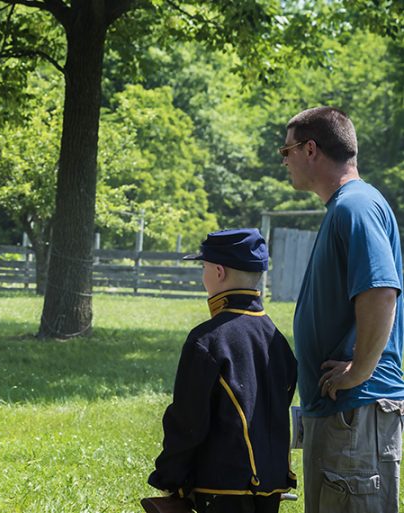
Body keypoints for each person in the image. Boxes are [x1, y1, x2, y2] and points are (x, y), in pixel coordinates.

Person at [283, 106, 404, 513]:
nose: (285, 161)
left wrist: (359, 371)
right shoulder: (344, 207)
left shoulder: (355, 206)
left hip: (356, 413)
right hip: (342, 412)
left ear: (310, 149)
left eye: (287, 152)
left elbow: (381, 290)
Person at [148, 228, 297, 513]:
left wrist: (170, 479)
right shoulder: (278, 341)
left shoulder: (206, 340)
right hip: (272, 485)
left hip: (220, 487)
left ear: (218, 272)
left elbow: (187, 423)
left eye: (203, 267)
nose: (203, 275)